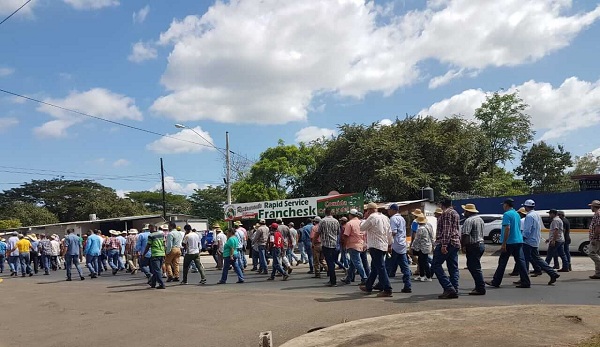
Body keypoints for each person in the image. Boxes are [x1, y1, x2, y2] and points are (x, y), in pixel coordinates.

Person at [486, 198, 530, 289]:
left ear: (506, 205)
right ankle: (525, 281)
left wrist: (504, 243)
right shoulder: (517, 214)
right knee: (520, 262)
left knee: (502, 262)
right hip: (518, 240)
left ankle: (496, 281)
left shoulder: (507, 214)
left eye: (503, 204)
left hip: (509, 242)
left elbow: (507, 229)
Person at [520, 200, 560, 285]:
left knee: (525, 260)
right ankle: (552, 273)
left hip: (528, 241)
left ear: (526, 207)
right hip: (535, 240)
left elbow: (527, 230)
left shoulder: (529, 216)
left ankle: (524, 280)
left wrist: (522, 238)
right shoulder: (536, 214)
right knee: (537, 259)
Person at [359, 202, 393, 298]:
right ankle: (368, 286)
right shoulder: (385, 217)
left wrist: (365, 218)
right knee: (375, 267)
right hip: (383, 245)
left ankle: (387, 289)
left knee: (380, 267)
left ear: (369, 210)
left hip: (375, 245)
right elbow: (389, 232)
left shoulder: (372, 217)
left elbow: (362, 228)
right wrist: (390, 244)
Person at [432, 198, 461, 299]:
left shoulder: (446, 213)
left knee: (436, 264)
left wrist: (444, 245)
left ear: (442, 204)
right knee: (453, 267)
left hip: (447, 242)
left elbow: (446, 230)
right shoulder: (455, 213)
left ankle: (448, 287)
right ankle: (454, 288)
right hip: (455, 242)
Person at [385, 203, 412, 293]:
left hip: (395, 244)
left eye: (389, 210)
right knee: (405, 267)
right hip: (402, 244)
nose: (388, 212)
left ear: (393, 210)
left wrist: (388, 244)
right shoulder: (402, 218)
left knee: (387, 266)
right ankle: (407, 285)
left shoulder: (393, 219)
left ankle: (384, 285)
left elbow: (393, 232)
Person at [460, 204, 486, 295]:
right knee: (474, 266)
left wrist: (463, 246)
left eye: (465, 211)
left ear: (468, 212)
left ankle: (480, 287)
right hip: (481, 244)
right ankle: (479, 286)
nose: (464, 213)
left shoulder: (469, 220)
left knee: (474, 267)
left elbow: (465, 234)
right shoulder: (480, 219)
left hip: (473, 245)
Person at [341, 209, 368, 285]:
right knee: (353, 263)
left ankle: (364, 278)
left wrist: (344, 245)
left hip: (352, 245)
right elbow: (365, 235)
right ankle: (348, 278)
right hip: (361, 244)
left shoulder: (349, 223)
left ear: (350, 215)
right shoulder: (361, 222)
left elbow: (346, 235)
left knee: (357, 262)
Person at [316, 208, 341, 287]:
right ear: (332, 213)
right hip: (335, 244)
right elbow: (338, 232)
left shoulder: (322, 221)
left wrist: (313, 241)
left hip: (326, 245)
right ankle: (332, 280)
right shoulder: (336, 221)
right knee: (332, 262)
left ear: (325, 212)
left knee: (330, 263)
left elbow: (318, 232)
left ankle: (333, 281)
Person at [411, 215, 434, 282]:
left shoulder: (420, 228)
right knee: (424, 261)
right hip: (428, 245)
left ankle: (425, 276)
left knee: (422, 261)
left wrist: (412, 246)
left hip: (422, 247)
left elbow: (417, 239)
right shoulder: (429, 226)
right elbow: (432, 236)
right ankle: (424, 275)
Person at [144, 225, 166, 289]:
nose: (149, 230)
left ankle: (161, 284)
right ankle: (153, 283)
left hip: (155, 254)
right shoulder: (161, 234)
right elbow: (164, 244)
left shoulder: (151, 236)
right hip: (161, 253)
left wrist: (144, 254)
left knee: (157, 270)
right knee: (156, 270)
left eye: (150, 229)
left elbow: (148, 245)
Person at [588, 200, 600, 280]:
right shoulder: (597, 214)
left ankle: (598, 273)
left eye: (591, 206)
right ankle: (598, 273)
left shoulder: (598, 214)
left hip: (597, 238)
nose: (590, 208)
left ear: (594, 206)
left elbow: (598, 228)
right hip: (597, 238)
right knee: (597, 254)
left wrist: (594, 238)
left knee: (591, 253)